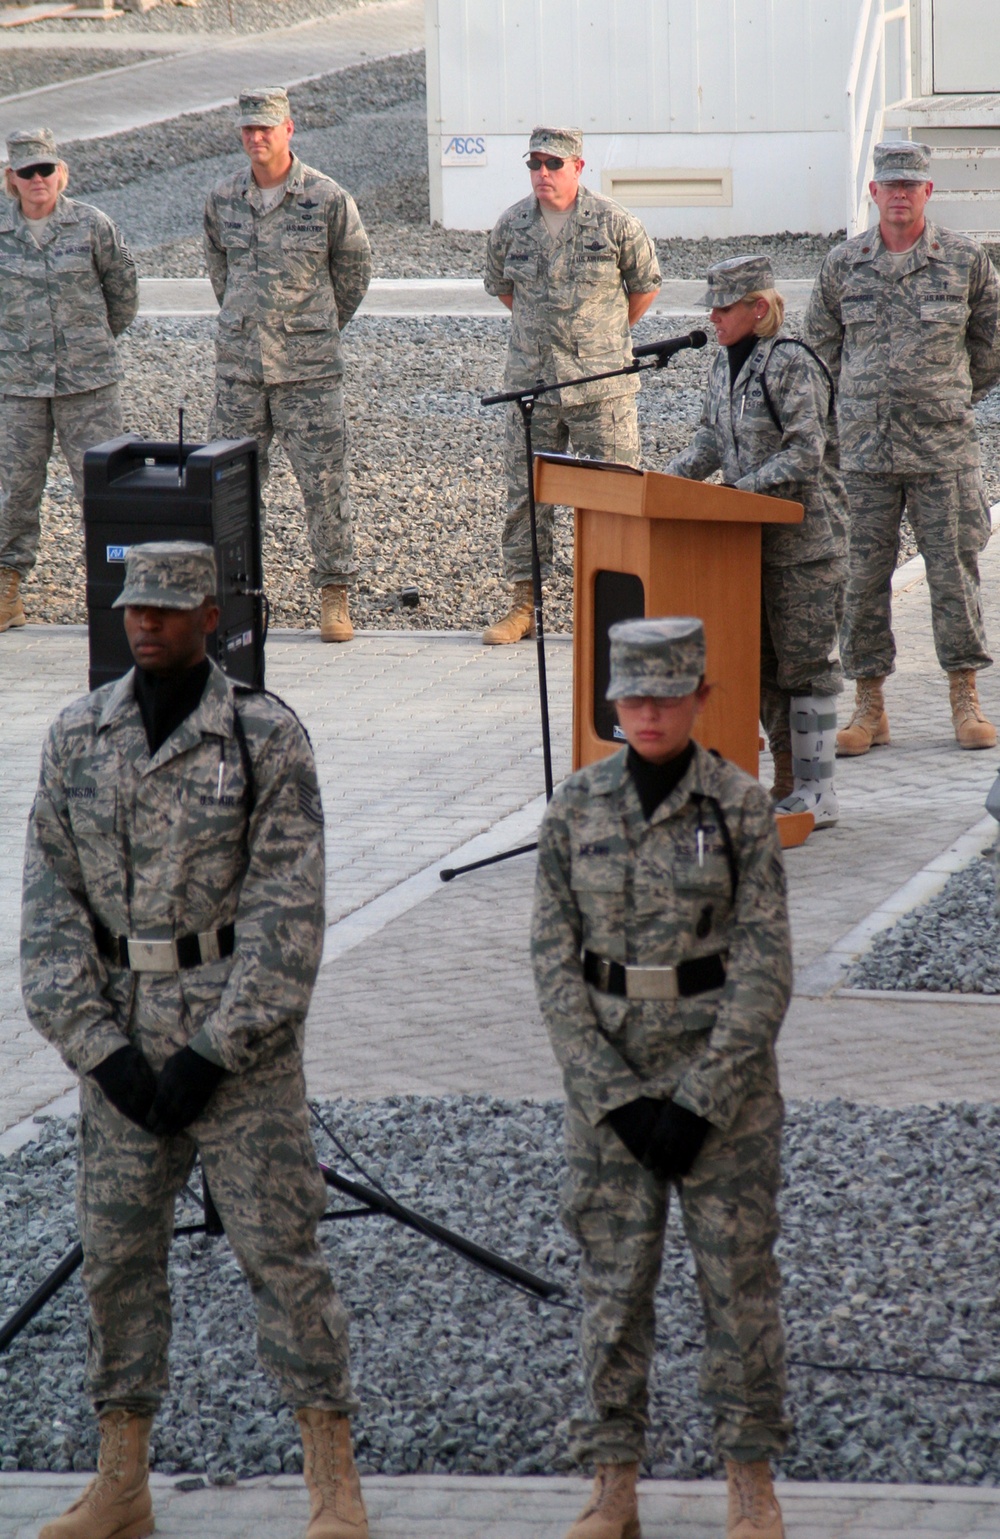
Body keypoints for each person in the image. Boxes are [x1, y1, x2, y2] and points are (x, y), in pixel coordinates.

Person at [21, 542, 368, 1539]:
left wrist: (217, 1050)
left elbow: (288, 916)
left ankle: (331, 1478)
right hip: (123, 1047)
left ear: (209, 618)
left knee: (283, 1257)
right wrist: (101, 1051)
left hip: (238, 1057)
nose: (147, 623)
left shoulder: (262, 738)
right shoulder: (78, 735)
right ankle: (121, 1482)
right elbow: (48, 916)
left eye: (169, 609)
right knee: (116, 1261)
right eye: (137, 606)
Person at [532, 617, 791, 1539]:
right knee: (612, 1288)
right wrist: (617, 1096)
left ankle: (751, 1480)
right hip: (612, 1092)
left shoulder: (739, 806)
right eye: (632, 697)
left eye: (666, 695)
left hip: (725, 1091)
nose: (648, 712)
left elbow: (765, 968)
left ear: (701, 699)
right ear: (611, 703)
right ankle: (613, 1482)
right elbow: (554, 968)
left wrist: (701, 1099)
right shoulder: (575, 808)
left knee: (739, 1287)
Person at [806, 139, 1000, 754]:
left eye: (909, 185)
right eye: (888, 185)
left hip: (942, 452)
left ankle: (964, 698)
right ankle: (869, 706)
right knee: (860, 581)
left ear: (927, 192)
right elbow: (819, 351)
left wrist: (948, 394)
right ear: (873, 193)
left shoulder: (966, 260)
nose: (898, 195)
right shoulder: (845, 264)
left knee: (953, 576)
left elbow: (992, 345)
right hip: (863, 455)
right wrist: (844, 420)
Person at [666, 255, 847, 827]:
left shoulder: (793, 364)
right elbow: (709, 439)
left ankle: (820, 791)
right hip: (747, 547)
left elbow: (804, 453)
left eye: (723, 308)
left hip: (804, 548)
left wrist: (737, 494)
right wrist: (665, 485)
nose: (713, 319)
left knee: (806, 668)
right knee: (764, 668)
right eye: (712, 309)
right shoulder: (723, 365)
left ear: (759, 308)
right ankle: (788, 783)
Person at [204, 86, 372, 644]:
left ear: (288, 129)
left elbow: (352, 272)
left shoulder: (326, 198)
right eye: (248, 130)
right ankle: (233, 597)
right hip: (240, 375)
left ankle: (334, 595)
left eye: (266, 129)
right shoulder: (223, 198)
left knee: (324, 487)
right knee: (231, 487)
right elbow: (220, 275)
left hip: (309, 374)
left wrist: (314, 329)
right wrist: (249, 326)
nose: (256, 138)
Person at [482, 127, 661, 644]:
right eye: (534, 163)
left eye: (553, 164)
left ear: (578, 167)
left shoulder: (613, 222)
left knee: (616, 495)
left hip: (601, 388)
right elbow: (504, 289)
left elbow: (645, 286)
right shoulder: (512, 225)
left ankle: (618, 613)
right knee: (526, 496)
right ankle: (523, 606)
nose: (542, 173)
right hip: (532, 389)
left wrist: (602, 342)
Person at [0, 126, 138, 634]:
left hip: (89, 386)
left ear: (62, 173)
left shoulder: (94, 225)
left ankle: (118, 594)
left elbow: (124, 291)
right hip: (19, 387)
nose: (38, 179)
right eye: (27, 171)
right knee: (15, 491)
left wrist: (90, 345)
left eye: (47, 169)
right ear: (10, 179)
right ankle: (7, 587)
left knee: (103, 492)